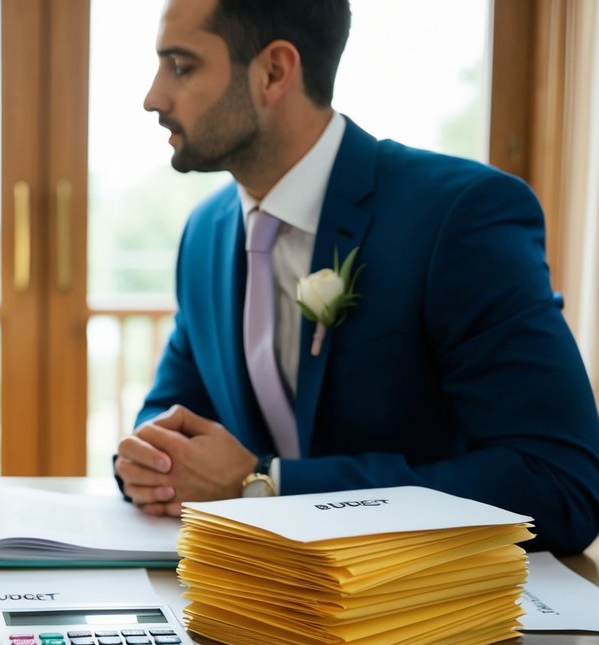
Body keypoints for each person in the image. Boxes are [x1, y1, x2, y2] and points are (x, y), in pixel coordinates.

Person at [115, 0, 599, 552]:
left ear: (273, 71)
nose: (153, 97)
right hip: (248, 602)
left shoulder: (459, 216)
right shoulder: (204, 234)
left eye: (182, 67)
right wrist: (149, 460)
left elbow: (561, 483)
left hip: (429, 619)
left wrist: (268, 487)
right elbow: (170, 412)